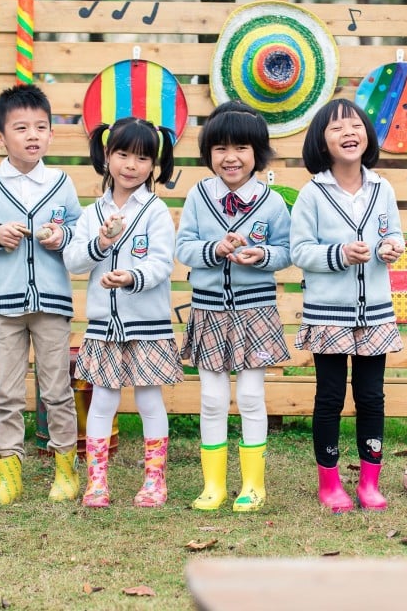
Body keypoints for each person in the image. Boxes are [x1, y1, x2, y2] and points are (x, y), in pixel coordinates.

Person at [0, 84, 82, 506]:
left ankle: (66, 470)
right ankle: (9, 472)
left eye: (41, 127)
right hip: (2, 305)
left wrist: (61, 236)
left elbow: (79, 234)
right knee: (6, 393)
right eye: (21, 127)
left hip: (52, 303)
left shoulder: (60, 183)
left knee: (56, 388)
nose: (32, 135)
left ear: (50, 134)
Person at [176, 101, 292, 512]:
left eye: (241, 147)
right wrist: (213, 249)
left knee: (249, 395)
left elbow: (286, 250)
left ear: (257, 153)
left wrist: (262, 256)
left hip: (255, 313)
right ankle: (213, 486)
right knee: (210, 397)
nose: (231, 157)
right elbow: (184, 247)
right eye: (221, 148)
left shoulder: (273, 202)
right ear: (208, 153)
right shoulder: (198, 196)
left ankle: (253, 485)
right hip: (208, 312)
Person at [290, 98, 405, 513]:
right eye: (336, 128)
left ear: (368, 135)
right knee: (331, 396)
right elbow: (300, 250)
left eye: (355, 125)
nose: (349, 133)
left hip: (375, 313)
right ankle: (330, 482)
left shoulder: (382, 188)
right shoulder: (312, 193)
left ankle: (370, 481)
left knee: (372, 396)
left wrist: (391, 247)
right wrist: (339, 254)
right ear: (321, 141)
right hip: (328, 315)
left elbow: (395, 234)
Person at [63, 116, 182, 508]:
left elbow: (163, 264)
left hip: (148, 326)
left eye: (143, 158)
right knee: (103, 401)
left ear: (154, 165)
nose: (131, 165)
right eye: (123, 154)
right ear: (107, 156)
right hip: (103, 326)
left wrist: (131, 276)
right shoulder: (91, 213)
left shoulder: (155, 212)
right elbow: (74, 260)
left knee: (150, 401)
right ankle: (97, 482)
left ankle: (154, 481)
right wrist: (100, 242)